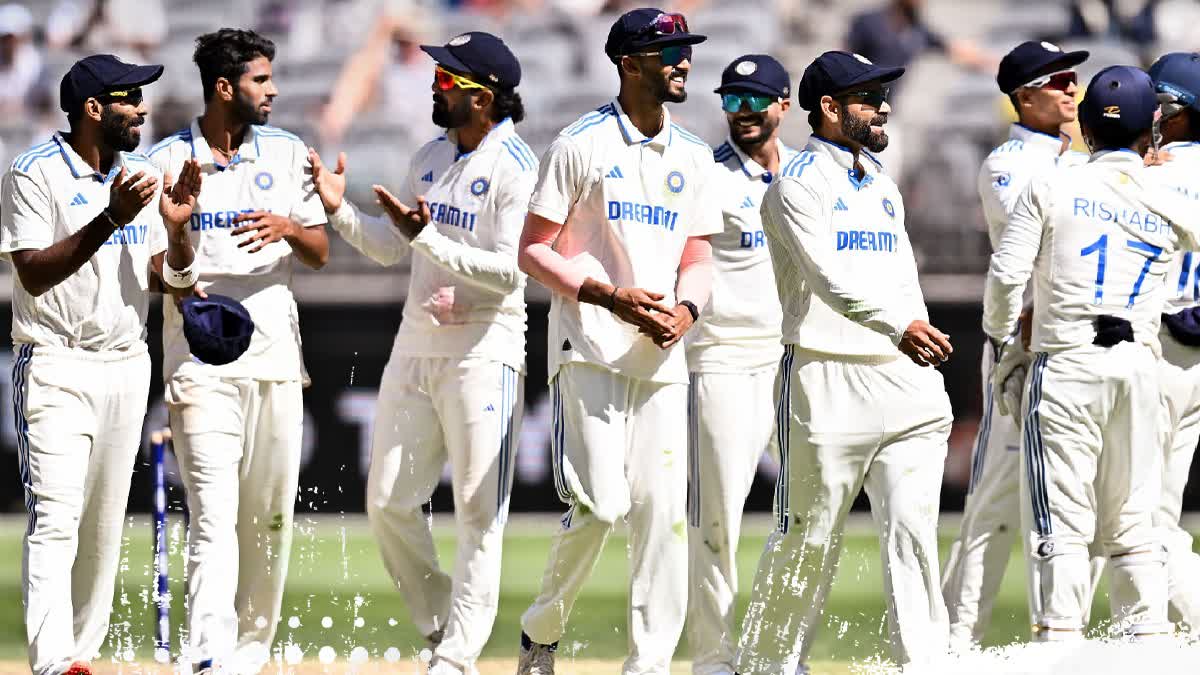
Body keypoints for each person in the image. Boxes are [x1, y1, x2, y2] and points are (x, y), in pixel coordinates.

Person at [309, 30, 533, 675]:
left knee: (477, 511)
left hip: (483, 352)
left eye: (448, 80)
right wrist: (339, 213)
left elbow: (509, 273)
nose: (435, 86)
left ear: (483, 97)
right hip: (416, 347)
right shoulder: (431, 156)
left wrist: (427, 236)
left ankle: (456, 659)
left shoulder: (517, 168)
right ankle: (441, 625)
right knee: (386, 502)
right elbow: (391, 246)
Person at [514, 8, 720, 675]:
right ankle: (541, 629)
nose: (684, 61)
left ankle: (649, 662)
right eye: (670, 53)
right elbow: (533, 250)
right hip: (592, 349)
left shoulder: (693, 152)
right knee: (601, 506)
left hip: (662, 356)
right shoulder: (581, 144)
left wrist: (687, 309)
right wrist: (610, 296)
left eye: (686, 50)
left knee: (664, 517)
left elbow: (698, 254)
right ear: (630, 65)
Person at [734, 51, 955, 672]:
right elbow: (829, 280)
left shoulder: (881, 183)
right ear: (828, 109)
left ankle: (924, 664)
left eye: (884, 92)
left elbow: (901, 278)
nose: (883, 105)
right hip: (827, 379)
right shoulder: (795, 186)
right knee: (809, 539)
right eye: (868, 96)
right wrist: (899, 326)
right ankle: (769, 667)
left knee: (914, 536)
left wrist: (918, 351)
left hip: (904, 379)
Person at [2, 53, 199, 675]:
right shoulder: (32, 172)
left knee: (103, 529)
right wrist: (111, 216)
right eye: (129, 98)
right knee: (55, 521)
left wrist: (177, 234)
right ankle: (53, 663)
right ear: (93, 109)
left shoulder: (142, 173)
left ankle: (80, 657)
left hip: (125, 363)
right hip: (55, 363)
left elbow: (155, 276)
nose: (142, 108)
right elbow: (33, 273)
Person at [146, 28, 329, 672]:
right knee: (213, 518)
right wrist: (179, 239)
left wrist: (288, 227)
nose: (273, 90)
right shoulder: (166, 160)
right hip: (201, 365)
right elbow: (153, 273)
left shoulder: (287, 153)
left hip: (277, 359)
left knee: (269, 524)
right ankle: (208, 658)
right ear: (225, 88)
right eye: (260, 81)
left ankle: (248, 657)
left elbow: (320, 252)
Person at [984, 65, 1187, 641]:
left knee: (1062, 526)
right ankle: (1148, 645)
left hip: (1067, 365)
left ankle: (1059, 645)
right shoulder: (1165, 190)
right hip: (1140, 367)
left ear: (1088, 129)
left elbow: (1005, 277)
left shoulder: (1052, 183)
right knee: (1135, 526)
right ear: (1150, 130)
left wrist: (1004, 346)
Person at [941, 39, 1092, 649]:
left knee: (1077, 498)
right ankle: (954, 640)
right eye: (1058, 80)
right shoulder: (1007, 163)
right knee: (996, 500)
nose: (1071, 89)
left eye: (1073, 78)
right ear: (1024, 95)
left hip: (1077, 346)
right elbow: (1023, 260)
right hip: (1023, 346)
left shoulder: (1079, 160)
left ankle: (1071, 634)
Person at [685, 53, 796, 675]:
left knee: (807, 513)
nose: (744, 111)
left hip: (797, 358)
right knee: (718, 513)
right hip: (724, 357)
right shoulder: (706, 174)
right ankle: (713, 660)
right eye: (732, 99)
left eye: (756, 99)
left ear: (783, 104)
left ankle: (782, 651)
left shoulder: (809, 176)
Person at [1144, 51, 1200, 633]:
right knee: (1162, 511)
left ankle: (1154, 639)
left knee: (1139, 517)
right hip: (1196, 355)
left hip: (1155, 345)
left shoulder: (1149, 172)